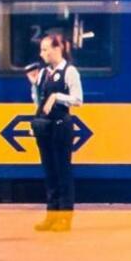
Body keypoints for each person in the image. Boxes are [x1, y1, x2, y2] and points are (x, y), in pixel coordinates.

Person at [27, 31, 84, 232]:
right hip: (45, 127)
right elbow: (38, 102)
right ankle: (51, 214)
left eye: (45, 49)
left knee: (63, 171)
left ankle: (65, 217)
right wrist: (34, 86)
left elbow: (78, 99)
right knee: (50, 171)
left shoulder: (70, 71)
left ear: (57, 49)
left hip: (61, 126)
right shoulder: (43, 73)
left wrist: (57, 96)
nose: (42, 54)